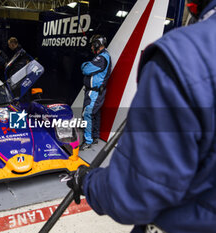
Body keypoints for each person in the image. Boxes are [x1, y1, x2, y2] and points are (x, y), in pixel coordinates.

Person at [67, 0, 216, 232]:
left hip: (180, 224)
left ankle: (89, 140)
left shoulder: (184, 55)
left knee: (89, 117)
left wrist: (87, 182)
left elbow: (134, 193)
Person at [80, 35, 112, 150]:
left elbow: (86, 69)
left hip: (94, 93)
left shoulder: (101, 58)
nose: (92, 47)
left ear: (98, 44)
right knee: (95, 114)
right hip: (96, 92)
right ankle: (94, 137)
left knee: (87, 114)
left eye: (93, 44)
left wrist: (85, 65)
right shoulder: (102, 56)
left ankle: (88, 141)